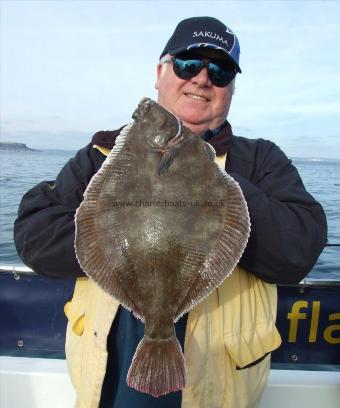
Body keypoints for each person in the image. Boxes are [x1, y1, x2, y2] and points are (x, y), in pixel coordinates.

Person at [14, 16, 327, 408]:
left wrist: (209, 184)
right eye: (187, 63)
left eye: (220, 70)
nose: (201, 78)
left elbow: (298, 250)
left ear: (231, 88)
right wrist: (122, 231)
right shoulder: (103, 156)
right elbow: (34, 235)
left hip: (215, 391)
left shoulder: (259, 160)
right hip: (110, 388)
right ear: (160, 73)